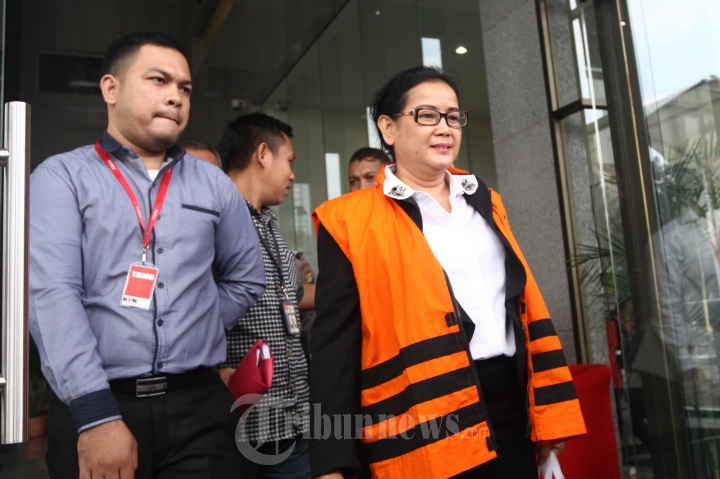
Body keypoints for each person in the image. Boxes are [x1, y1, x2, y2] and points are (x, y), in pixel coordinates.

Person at [309, 66, 586, 479]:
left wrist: (544, 414)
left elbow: (516, 307)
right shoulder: (349, 221)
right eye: (427, 115)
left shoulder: (485, 200)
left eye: (453, 117)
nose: (445, 128)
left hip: (511, 409)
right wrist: (330, 462)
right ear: (388, 128)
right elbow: (335, 349)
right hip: (426, 421)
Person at [28, 32, 266, 478]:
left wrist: (197, 321)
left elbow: (246, 277)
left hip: (200, 407)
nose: (175, 97)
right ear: (111, 88)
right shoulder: (62, 177)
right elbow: (52, 296)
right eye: (159, 80)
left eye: (185, 88)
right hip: (99, 401)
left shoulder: (213, 184)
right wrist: (96, 415)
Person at [217, 112, 312, 479]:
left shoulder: (270, 224)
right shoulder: (215, 220)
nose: (292, 174)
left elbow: (292, 298)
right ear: (262, 154)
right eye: (289, 160)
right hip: (240, 423)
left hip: (291, 419)